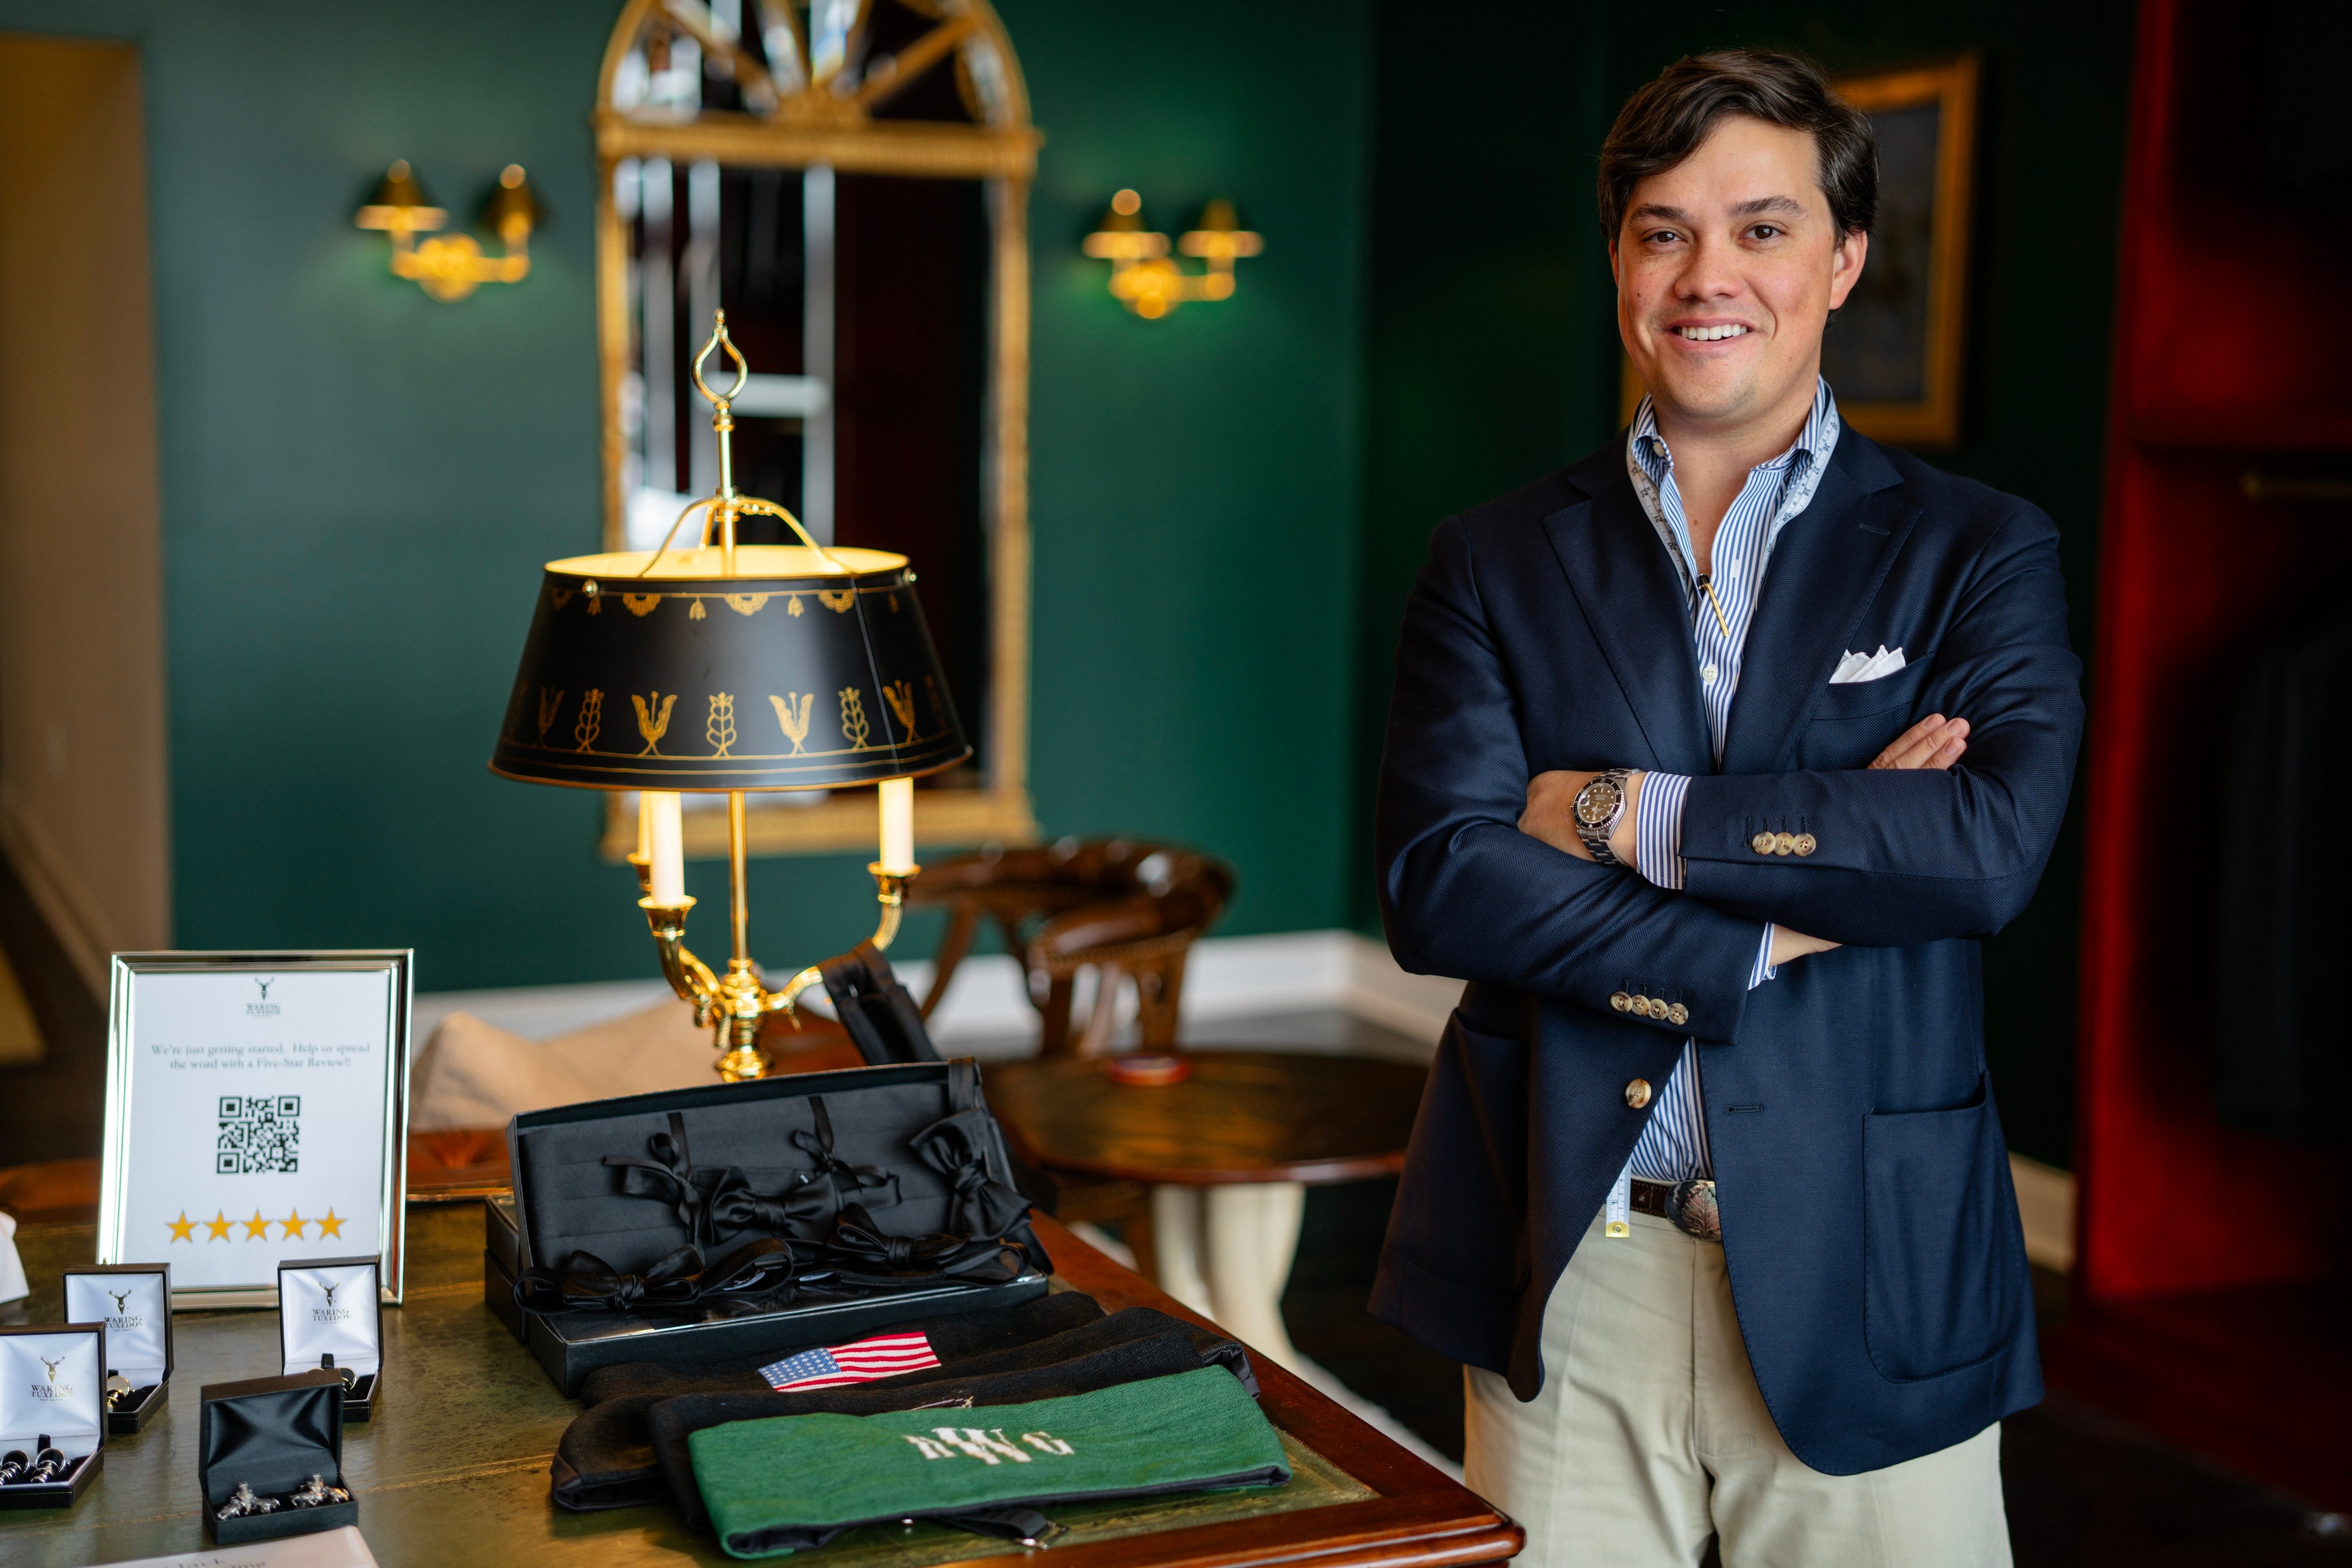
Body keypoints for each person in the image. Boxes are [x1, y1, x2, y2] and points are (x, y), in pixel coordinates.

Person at [1369, 48, 2082, 1568]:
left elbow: (1983, 851)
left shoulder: (1979, 551)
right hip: (1571, 1257)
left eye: (1763, 228)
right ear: (1621, 258)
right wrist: (1786, 917)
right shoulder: (1490, 558)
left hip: (1869, 1260)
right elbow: (1442, 881)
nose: (1711, 275)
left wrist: (1611, 809)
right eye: (1664, 230)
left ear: (1844, 261)